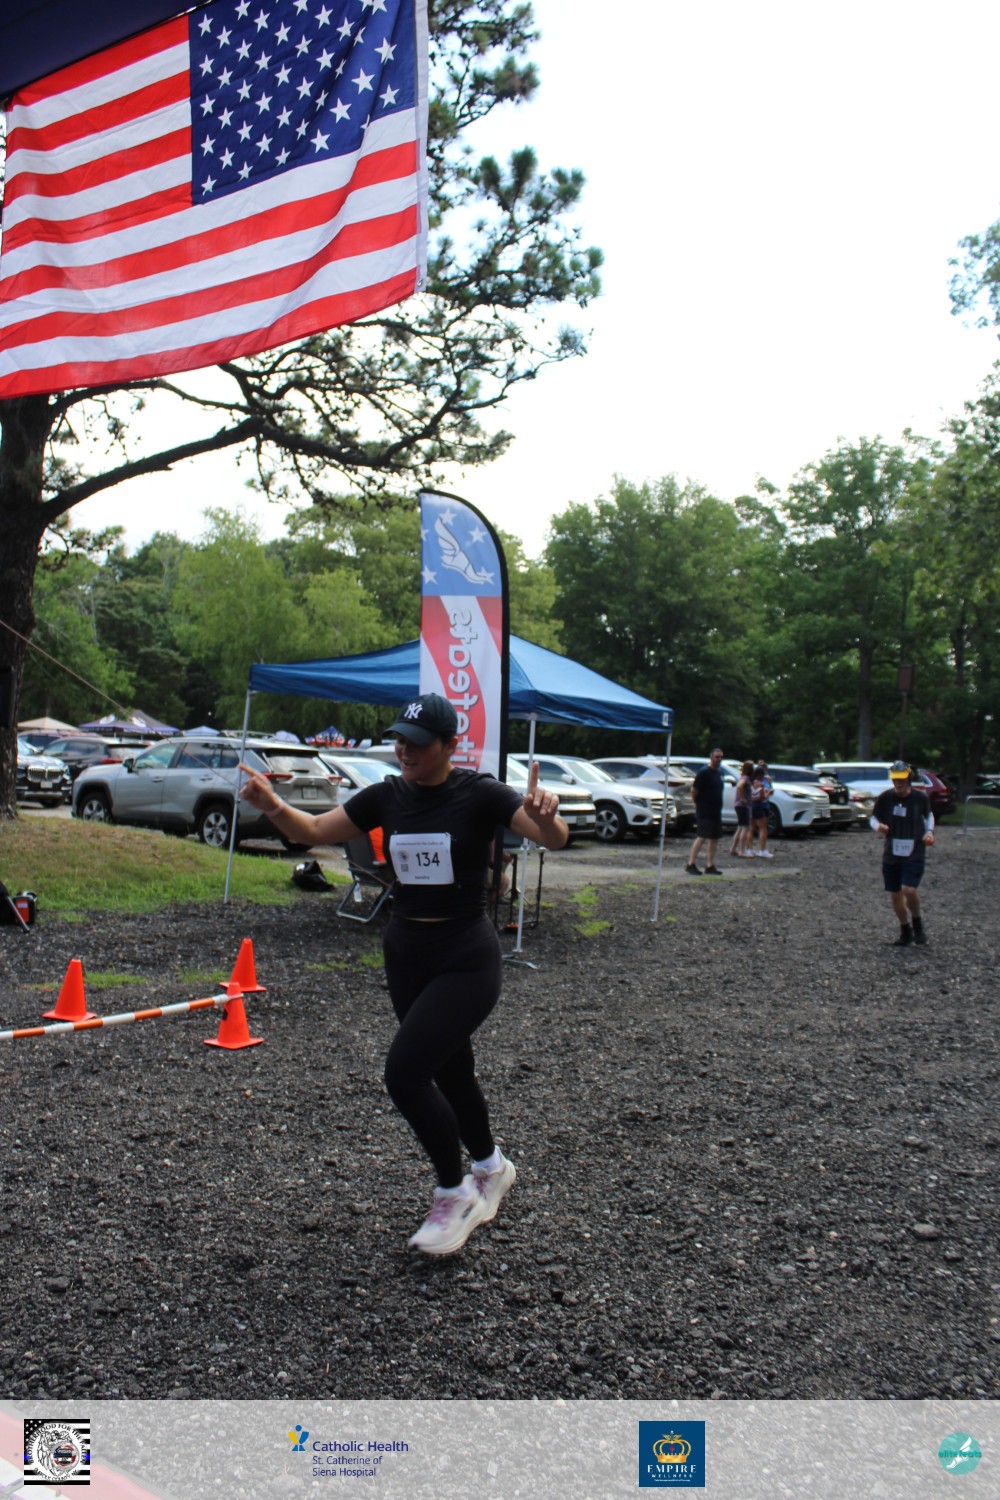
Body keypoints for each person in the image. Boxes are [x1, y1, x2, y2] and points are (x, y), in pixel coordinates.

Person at [239, 692, 569, 1256]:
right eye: (399, 740)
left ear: (449, 745)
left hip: (466, 956)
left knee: (406, 1073)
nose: (404, 750)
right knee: (451, 1069)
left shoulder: (481, 792)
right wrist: (272, 804)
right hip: (407, 952)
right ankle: (491, 1166)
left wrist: (546, 818)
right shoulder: (386, 795)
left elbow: (550, 837)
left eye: (417, 743)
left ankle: (454, 1193)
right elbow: (313, 830)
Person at [870, 760, 935, 946]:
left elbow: (929, 815)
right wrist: (878, 827)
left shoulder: (920, 798)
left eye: (901, 779)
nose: (898, 783)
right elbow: (873, 818)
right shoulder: (885, 798)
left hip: (914, 849)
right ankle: (905, 930)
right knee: (896, 894)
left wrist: (929, 832)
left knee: (909, 889)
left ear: (908, 778)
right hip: (892, 851)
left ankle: (917, 922)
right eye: (895, 779)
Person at [686, 747, 725, 876]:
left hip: (716, 810)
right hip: (704, 810)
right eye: (717, 757)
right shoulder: (704, 772)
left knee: (714, 837)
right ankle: (691, 863)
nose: (719, 759)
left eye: (721, 757)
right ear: (711, 757)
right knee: (702, 836)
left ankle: (710, 865)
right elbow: (694, 790)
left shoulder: (720, 773)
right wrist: (697, 803)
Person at [729, 760, 755, 858]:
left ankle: (733, 849)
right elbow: (739, 787)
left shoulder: (743, 777)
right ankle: (742, 851)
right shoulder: (745, 778)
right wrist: (742, 798)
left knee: (740, 827)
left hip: (739, 806)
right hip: (743, 806)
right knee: (745, 828)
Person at [749, 762, 773, 858]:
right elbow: (761, 797)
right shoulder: (760, 783)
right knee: (763, 828)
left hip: (752, 806)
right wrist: (768, 793)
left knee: (751, 827)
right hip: (759, 806)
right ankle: (762, 850)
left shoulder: (751, 781)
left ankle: (749, 849)